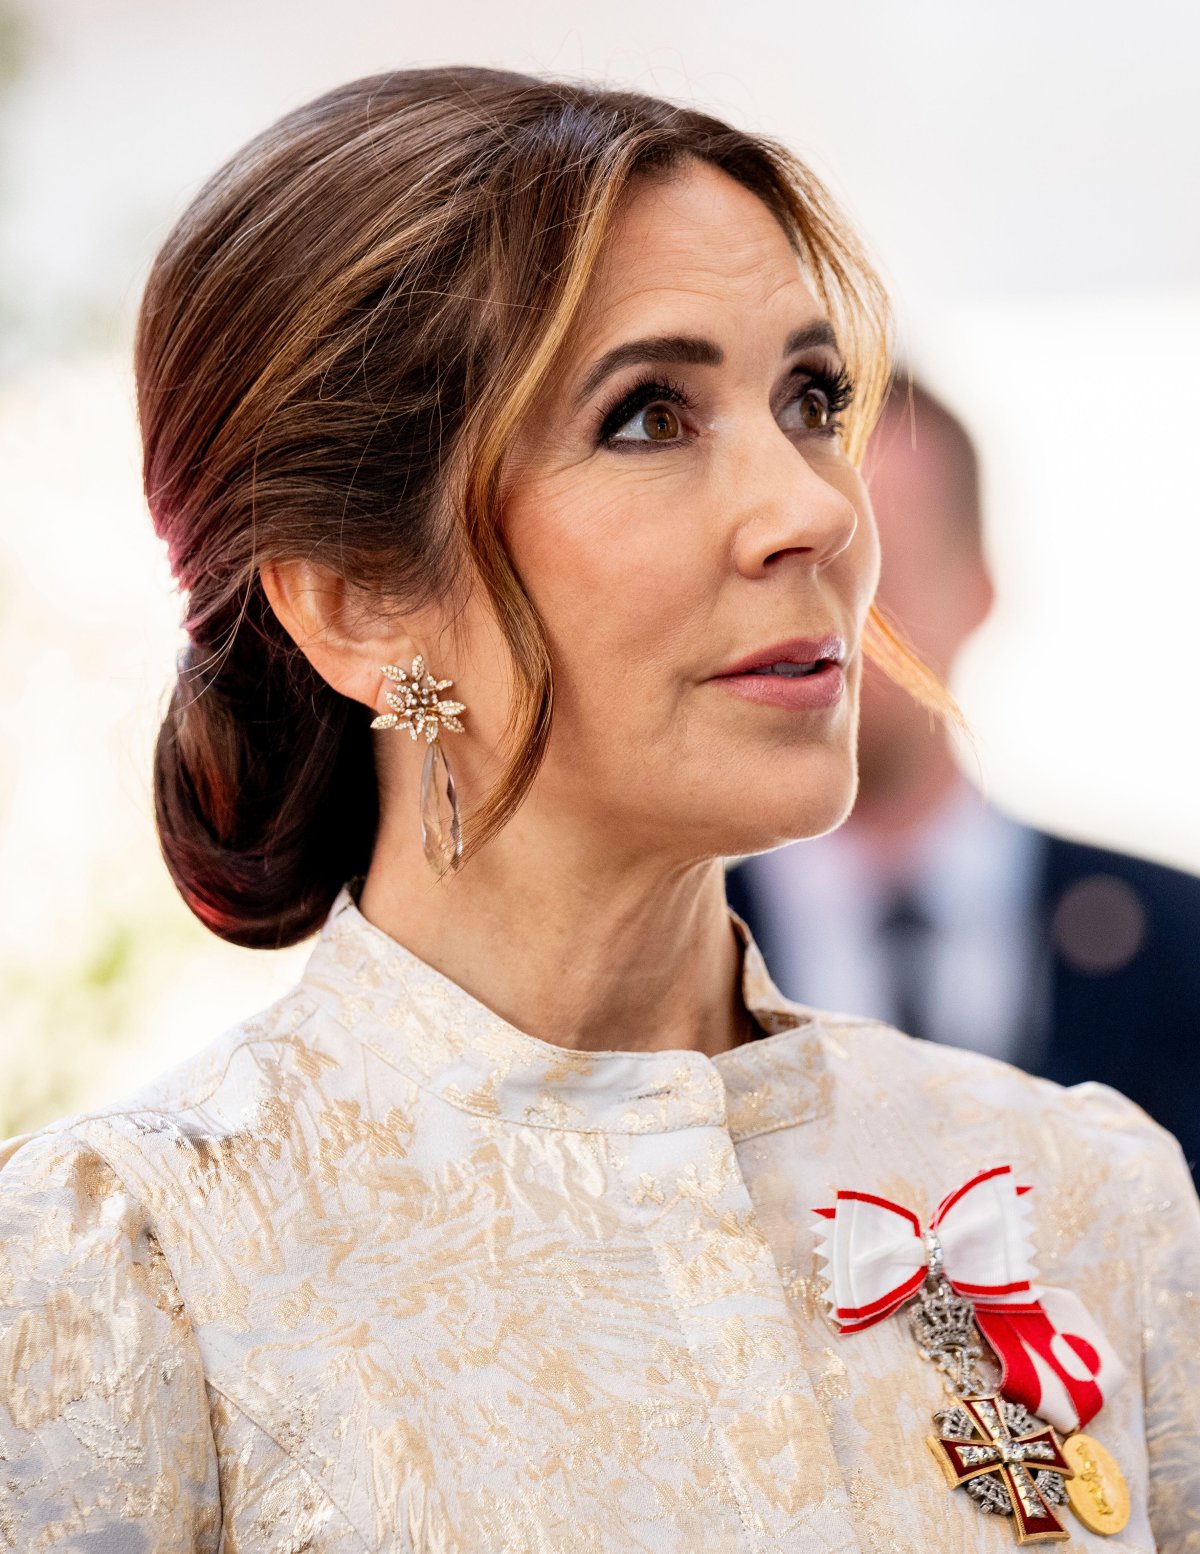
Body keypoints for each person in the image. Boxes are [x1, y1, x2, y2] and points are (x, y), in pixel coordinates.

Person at [0, 68, 1195, 1551]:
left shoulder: (1090, 1199)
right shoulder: (131, 1273)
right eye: (648, 417)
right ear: (360, 601)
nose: (817, 509)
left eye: (811, 397)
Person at [726, 377, 1200, 1182]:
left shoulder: (1181, 942)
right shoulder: (662, 972)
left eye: (878, 567)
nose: (833, 619)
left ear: (978, 589)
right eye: (791, 566)